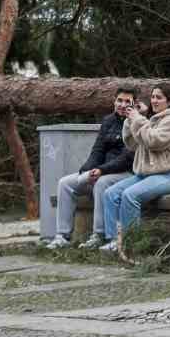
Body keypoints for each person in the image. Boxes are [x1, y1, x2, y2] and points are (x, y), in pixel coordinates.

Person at [43, 88, 138, 250]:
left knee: (101, 182)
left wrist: (101, 171)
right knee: (65, 183)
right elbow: (98, 150)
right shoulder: (108, 121)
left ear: (134, 104)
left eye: (127, 102)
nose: (122, 105)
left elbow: (126, 158)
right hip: (101, 171)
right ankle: (62, 236)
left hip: (126, 173)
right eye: (119, 100)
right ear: (114, 101)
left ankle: (98, 235)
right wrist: (86, 171)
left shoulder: (136, 123)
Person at [98, 83, 170, 251]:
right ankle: (113, 241)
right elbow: (131, 144)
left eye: (159, 97)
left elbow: (153, 141)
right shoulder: (152, 121)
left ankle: (131, 243)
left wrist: (138, 118)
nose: (154, 100)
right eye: (153, 96)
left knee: (130, 195)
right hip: (147, 175)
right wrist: (131, 118)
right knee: (110, 194)